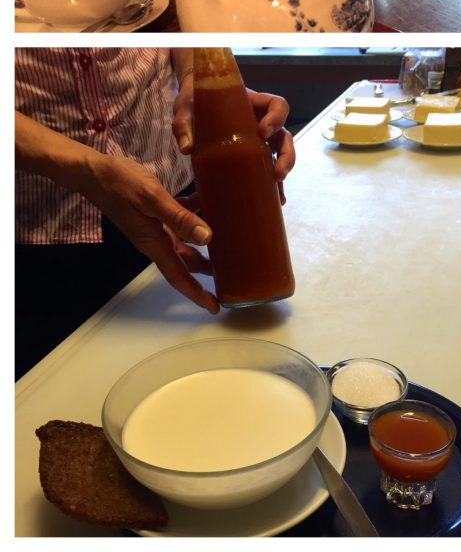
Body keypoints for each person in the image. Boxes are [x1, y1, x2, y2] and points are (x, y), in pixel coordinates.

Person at [14, 48, 295, 378]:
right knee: (57, 380)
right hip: (43, 228)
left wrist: (199, 86)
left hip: (172, 201)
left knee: (207, 363)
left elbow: (195, 40)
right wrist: (88, 168)